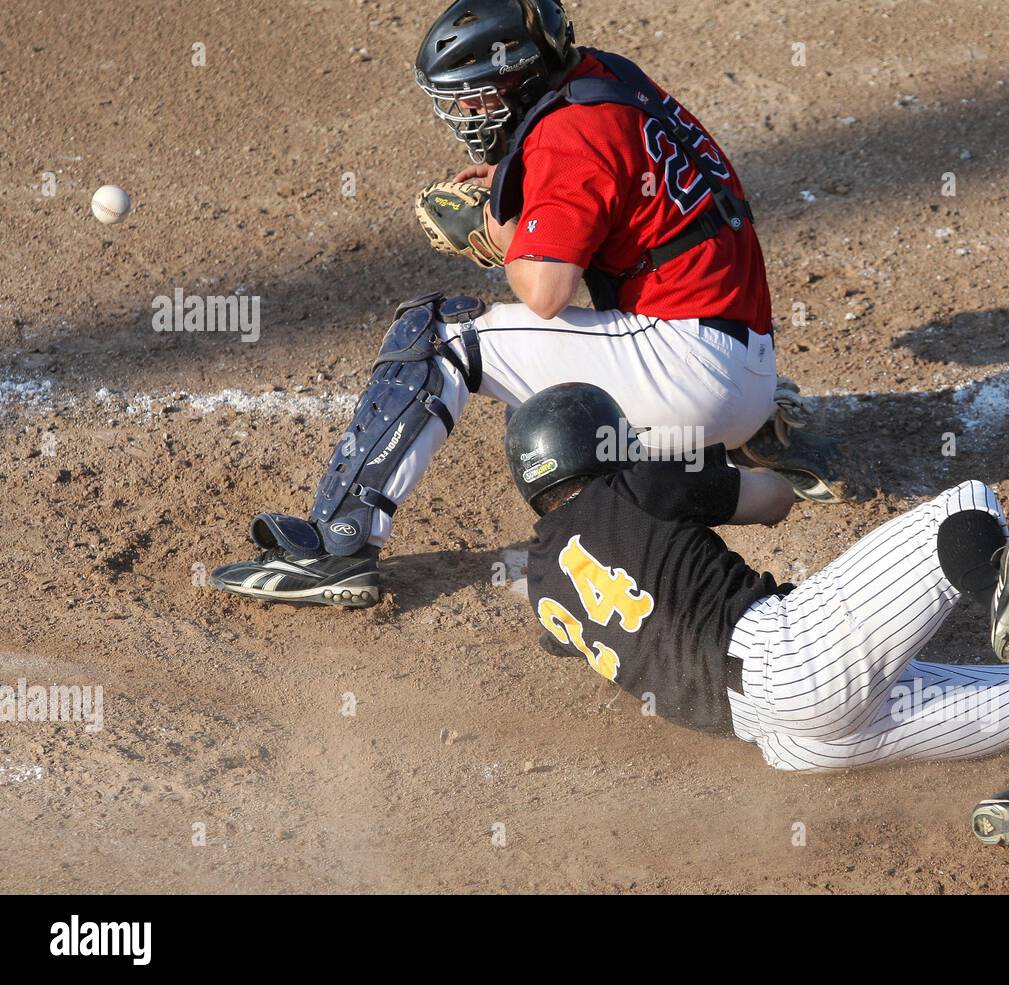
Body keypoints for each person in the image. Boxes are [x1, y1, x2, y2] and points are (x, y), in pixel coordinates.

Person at [210, 0, 837, 608]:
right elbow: (607, 185)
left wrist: (494, 230)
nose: (466, 114)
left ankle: (333, 548)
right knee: (564, 385)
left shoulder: (570, 135)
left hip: (686, 373)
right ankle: (745, 450)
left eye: (477, 97)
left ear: (518, 80)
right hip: (742, 362)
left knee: (438, 335)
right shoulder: (605, 76)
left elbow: (546, 292)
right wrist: (526, 192)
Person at [506, 383, 1009, 853]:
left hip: (789, 741)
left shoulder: (541, 584)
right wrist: (740, 456)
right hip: (796, 657)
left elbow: (565, 632)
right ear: (603, 445)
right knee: (968, 505)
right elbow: (773, 500)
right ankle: (996, 586)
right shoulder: (635, 483)